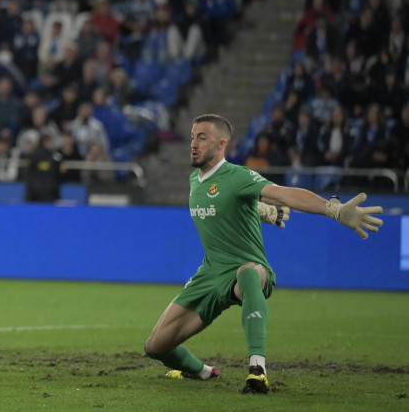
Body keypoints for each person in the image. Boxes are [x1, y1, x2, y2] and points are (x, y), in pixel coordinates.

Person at [143, 114, 384, 394]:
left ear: (222, 144)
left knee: (249, 273)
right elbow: (225, 204)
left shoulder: (238, 175)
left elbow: (284, 194)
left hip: (247, 269)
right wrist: (257, 210)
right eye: (192, 137)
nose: (193, 144)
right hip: (210, 273)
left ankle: (257, 370)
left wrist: (335, 210)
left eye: (202, 137)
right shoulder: (195, 180)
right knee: (155, 346)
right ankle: (202, 372)